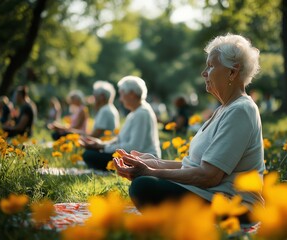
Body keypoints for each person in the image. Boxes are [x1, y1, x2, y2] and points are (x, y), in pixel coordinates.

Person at [113, 33, 265, 223]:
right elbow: (196, 166)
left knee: (143, 186)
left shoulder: (241, 110)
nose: (204, 73)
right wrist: (154, 162)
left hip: (234, 206)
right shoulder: (224, 109)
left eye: (211, 66)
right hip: (209, 194)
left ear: (232, 72)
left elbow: (209, 176)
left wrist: (150, 172)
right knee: (143, 183)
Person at [80, 75, 161, 171]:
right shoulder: (136, 112)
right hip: (133, 157)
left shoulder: (142, 113)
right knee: (90, 152)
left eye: (122, 94)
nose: (121, 99)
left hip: (144, 161)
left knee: (89, 155)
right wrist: (100, 144)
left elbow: (134, 147)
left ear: (132, 94)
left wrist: (104, 147)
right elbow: (120, 139)